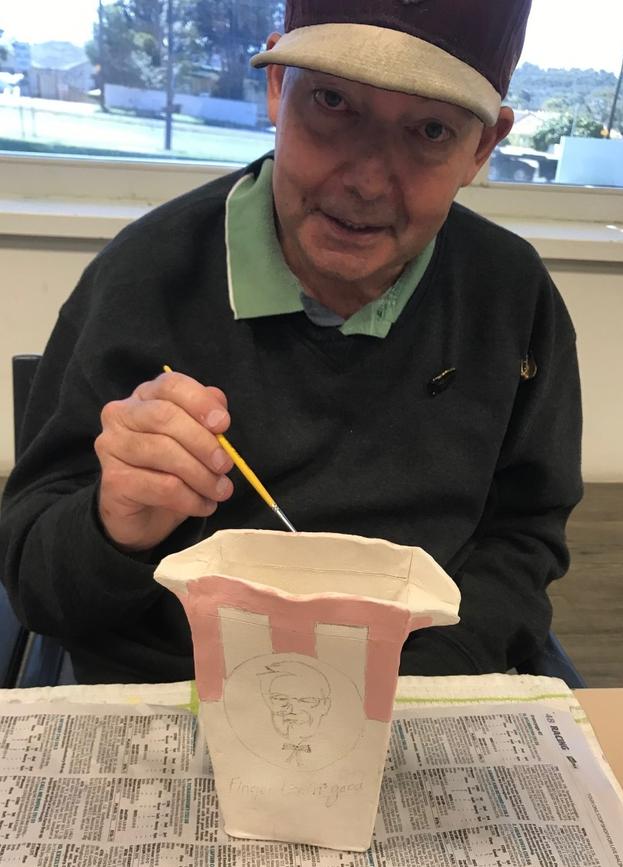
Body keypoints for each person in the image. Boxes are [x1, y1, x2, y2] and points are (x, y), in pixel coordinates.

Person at [0, 0, 582, 685]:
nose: (367, 179)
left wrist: (413, 684)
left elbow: (524, 537)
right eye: (333, 102)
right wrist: (116, 524)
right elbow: (35, 582)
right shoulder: (144, 279)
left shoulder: (513, 298)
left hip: (420, 693)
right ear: (278, 88)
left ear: (483, 146)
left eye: (430, 129)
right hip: (170, 693)